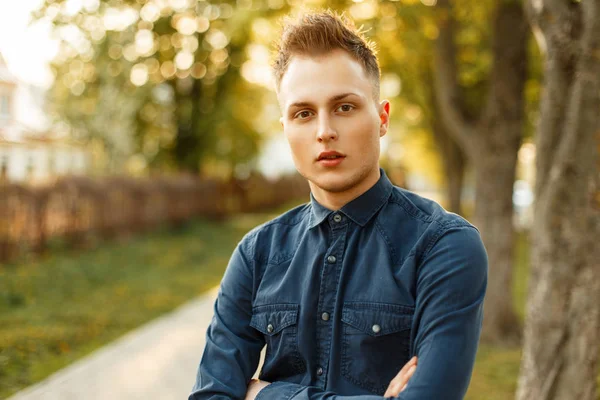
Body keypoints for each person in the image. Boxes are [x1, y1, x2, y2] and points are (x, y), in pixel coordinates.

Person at [189, 11, 487, 400]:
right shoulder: (256, 254)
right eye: (303, 113)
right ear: (286, 128)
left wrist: (264, 394)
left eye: (344, 107)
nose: (324, 131)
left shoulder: (445, 247)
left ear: (381, 118)